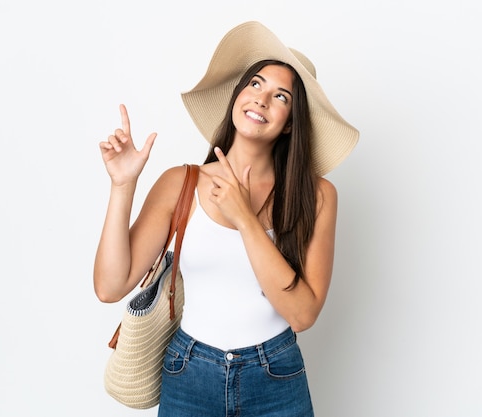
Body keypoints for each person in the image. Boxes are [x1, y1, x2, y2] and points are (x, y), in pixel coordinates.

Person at [94, 21, 359, 417]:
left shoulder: (318, 196)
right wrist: (122, 185)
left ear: (290, 123)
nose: (262, 98)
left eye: (280, 95)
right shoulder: (180, 183)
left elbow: (302, 314)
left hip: (276, 377)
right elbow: (110, 286)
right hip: (189, 373)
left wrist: (245, 218)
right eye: (255, 83)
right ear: (237, 97)